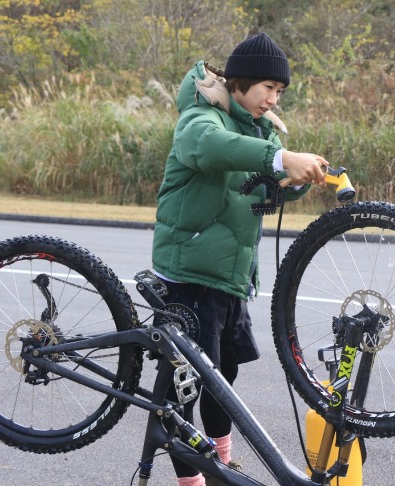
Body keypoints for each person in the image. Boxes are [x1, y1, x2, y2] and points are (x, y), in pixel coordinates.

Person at [151, 32, 328, 486]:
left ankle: (222, 465)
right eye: (269, 87)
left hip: (229, 279)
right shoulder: (201, 117)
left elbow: (257, 186)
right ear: (241, 81)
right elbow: (212, 149)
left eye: (280, 91)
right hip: (189, 273)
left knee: (223, 379)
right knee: (186, 387)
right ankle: (191, 480)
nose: (274, 99)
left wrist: (298, 177)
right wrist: (281, 156)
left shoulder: (259, 130)